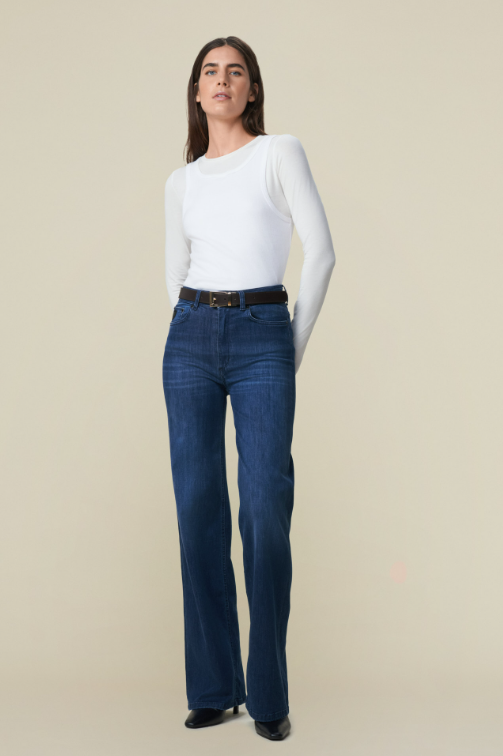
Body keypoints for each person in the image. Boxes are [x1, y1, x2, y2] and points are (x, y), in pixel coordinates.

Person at [162, 36, 335, 742]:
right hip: (190, 337)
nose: (222, 80)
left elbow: (322, 253)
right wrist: (190, 330)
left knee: (264, 510)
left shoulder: (278, 153)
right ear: (197, 92)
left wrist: (287, 350)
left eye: (236, 71)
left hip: (264, 330)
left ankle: (267, 695)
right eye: (210, 71)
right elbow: (174, 273)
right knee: (197, 511)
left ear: (252, 89)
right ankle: (214, 687)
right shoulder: (181, 182)